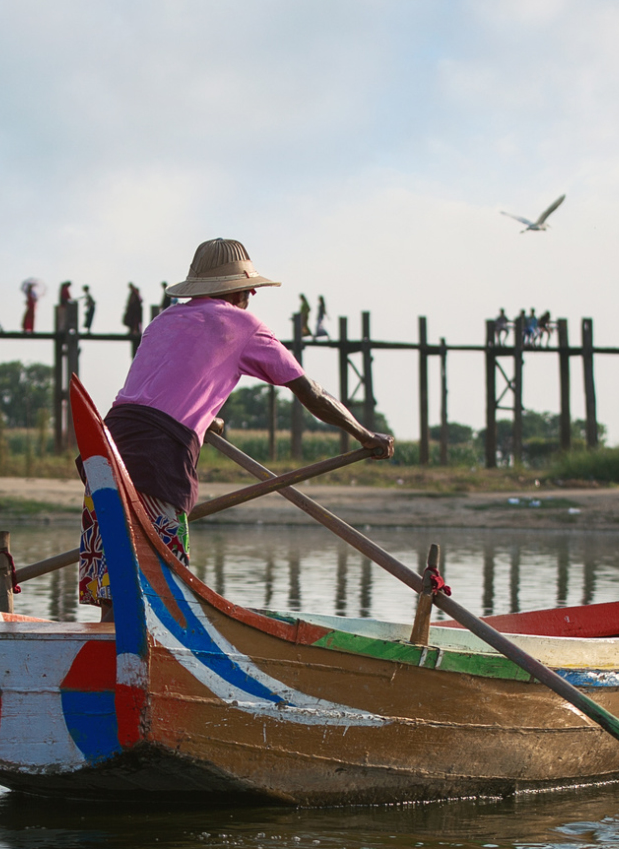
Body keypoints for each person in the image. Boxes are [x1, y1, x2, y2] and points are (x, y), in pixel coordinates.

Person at [79, 239, 391, 615]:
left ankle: (109, 657)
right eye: (249, 288)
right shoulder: (244, 325)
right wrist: (363, 434)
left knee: (115, 585)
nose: (253, 293)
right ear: (240, 290)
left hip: (106, 444)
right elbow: (311, 394)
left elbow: (164, 386)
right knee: (157, 593)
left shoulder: (164, 319)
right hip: (156, 456)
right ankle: (139, 666)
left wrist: (205, 416)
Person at [122, 283, 144, 348]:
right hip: (132, 313)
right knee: (130, 322)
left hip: (135, 313)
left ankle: (135, 331)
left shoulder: (136, 294)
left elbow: (139, 300)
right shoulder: (133, 294)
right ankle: (133, 331)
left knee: (135, 323)